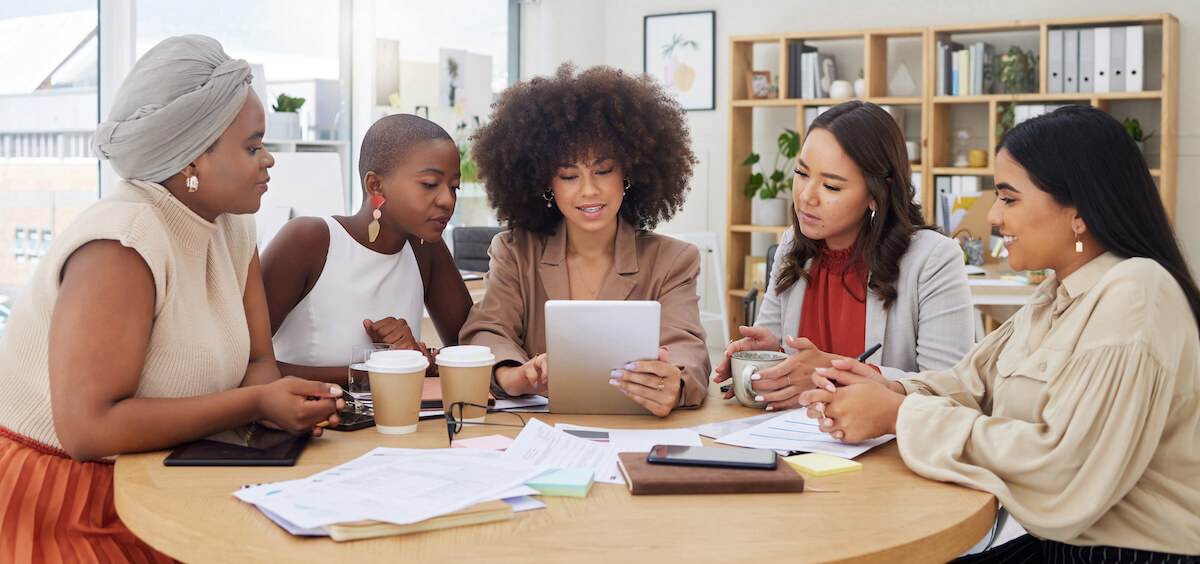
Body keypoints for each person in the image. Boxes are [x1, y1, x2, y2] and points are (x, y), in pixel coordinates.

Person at [800, 106, 1200, 560]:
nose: (992, 216)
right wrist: (888, 388)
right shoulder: (1058, 294)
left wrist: (898, 415)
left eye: (1009, 199)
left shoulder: (1136, 294)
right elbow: (972, 383)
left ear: (1079, 213)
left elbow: (1065, 471)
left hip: (1127, 552)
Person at [0, 35, 344, 561]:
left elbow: (256, 360)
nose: (268, 160)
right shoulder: (123, 243)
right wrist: (256, 403)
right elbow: (88, 429)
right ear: (192, 158)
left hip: (174, 473)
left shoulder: (232, 226)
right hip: (70, 499)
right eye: (252, 147)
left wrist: (281, 410)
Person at [459, 63, 710, 417]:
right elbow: (487, 330)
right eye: (569, 175)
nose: (589, 190)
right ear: (547, 182)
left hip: (637, 430)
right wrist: (514, 376)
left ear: (630, 172)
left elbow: (688, 349)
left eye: (603, 170)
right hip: (538, 435)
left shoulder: (673, 259)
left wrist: (676, 382)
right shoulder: (515, 252)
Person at [714, 101, 975, 410]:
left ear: (877, 193)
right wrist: (772, 359)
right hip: (796, 437)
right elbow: (781, 352)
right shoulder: (792, 243)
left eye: (831, 186)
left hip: (883, 449)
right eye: (801, 173)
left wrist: (827, 372)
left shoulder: (932, 259)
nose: (806, 196)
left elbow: (950, 391)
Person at [261, 114, 472, 384]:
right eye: (430, 184)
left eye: (454, 187)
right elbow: (241, 366)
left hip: (399, 421)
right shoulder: (309, 240)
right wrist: (371, 372)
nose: (448, 200)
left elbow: (469, 349)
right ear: (376, 186)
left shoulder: (425, 248)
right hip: (313, 424)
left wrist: (423, 358)